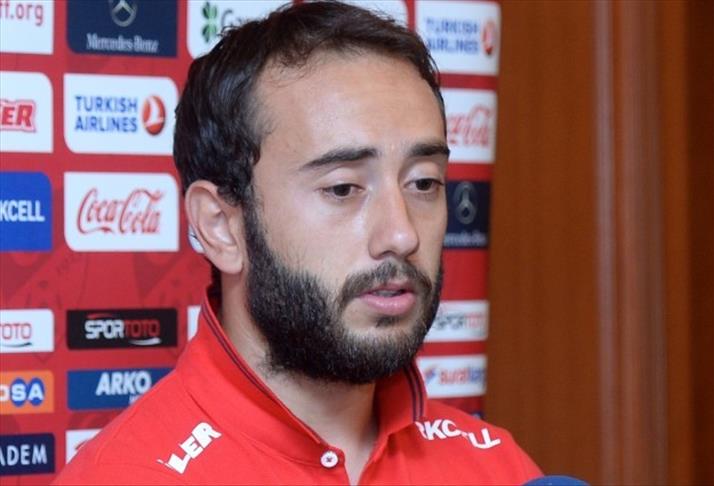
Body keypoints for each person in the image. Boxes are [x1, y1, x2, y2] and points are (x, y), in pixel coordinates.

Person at [55, 2, 542, 484]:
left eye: (423, 183)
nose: (402, 234)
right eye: (343, 188)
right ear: (220, 226)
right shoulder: (125, 476)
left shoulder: (498, 468)